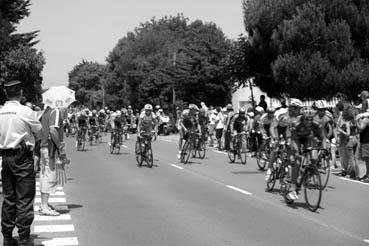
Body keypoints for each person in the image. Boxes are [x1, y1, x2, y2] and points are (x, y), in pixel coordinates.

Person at [0, 80, 42, 246]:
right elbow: (39, 133)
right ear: (21, 93)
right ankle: (24, 238)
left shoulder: (1, 111)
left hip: (5, 157)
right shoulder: (25, 111)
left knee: (9, 198)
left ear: (6, 93)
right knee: (24, 199)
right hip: (22, 157)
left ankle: (8, 238)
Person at [37, 105, 65, 216]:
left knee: (44, 175)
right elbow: (53, 130)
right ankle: (44, 206)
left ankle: (44, 204)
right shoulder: (55, 111)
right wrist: (60, 147)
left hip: (43, 146)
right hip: (50, 148)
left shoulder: (45, 112)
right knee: (49, 175)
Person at [356, 112, 369, 182]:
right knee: (366, 159)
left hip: (366, 142)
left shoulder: (366, 120)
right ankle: (367, 174)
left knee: (367, 159)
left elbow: (361, 128)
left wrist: (356, 121)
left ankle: (367, 175)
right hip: (365, 142)